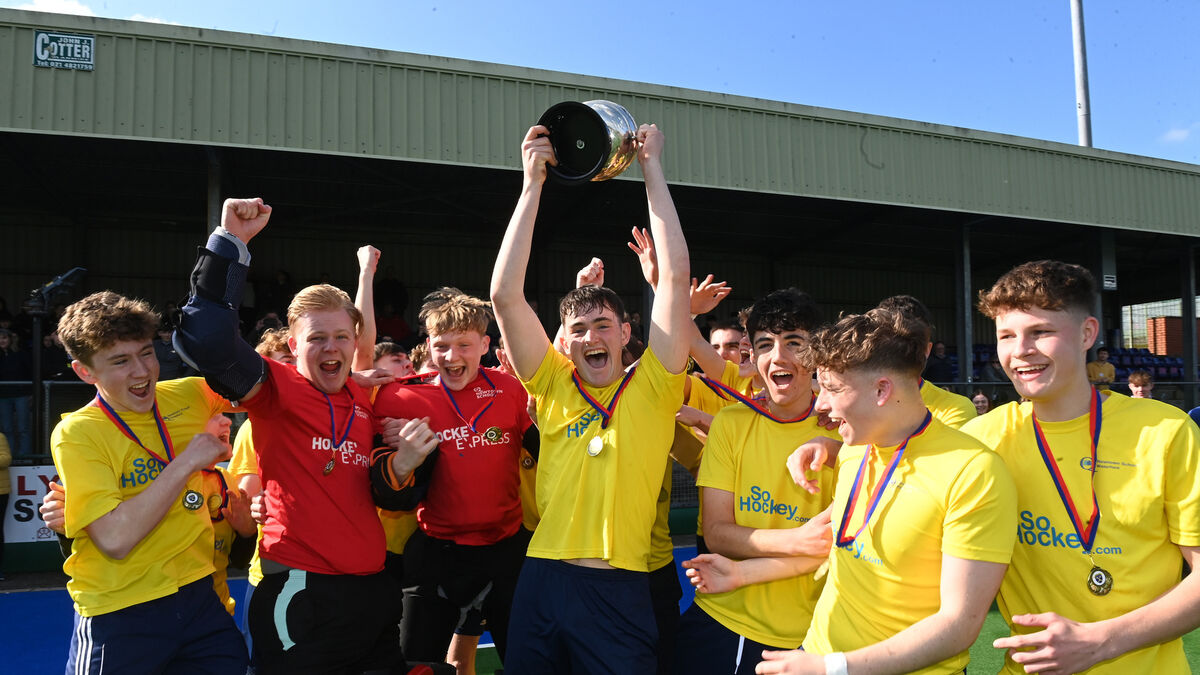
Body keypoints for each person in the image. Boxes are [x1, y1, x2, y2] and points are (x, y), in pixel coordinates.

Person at [698, 306, 1017, 674]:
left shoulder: (973, 473)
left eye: (832, 388)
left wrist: (834, 667)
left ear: (881, 390)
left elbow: (958, 626)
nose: (821, 403)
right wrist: (742, 575)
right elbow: (841, 550)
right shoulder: (854, 450)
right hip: (817, 654)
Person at [175, 197, 414, 674]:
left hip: (372, 591)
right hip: (303, 595)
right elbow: (207, 343)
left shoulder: (360, 395)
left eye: (341, 337)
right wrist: (231, 243)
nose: (331, 348)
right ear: (292, 345)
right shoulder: (277, 389)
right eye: (316, 338)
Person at [490, 122, 691, 673]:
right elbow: (505, 295)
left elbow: (675, 280)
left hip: (619, 587)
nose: (589, 338)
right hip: (541, 577)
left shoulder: (656, 384)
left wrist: (652, 169)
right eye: (577, 330)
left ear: (626, 333)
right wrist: (532, 184)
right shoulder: (552, 381)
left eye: (602, 325)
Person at [963, 260, 1200, 673]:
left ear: (1088, 333)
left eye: (1041, 332)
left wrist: (1101, 642)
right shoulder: (979, 441)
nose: (1020, 350)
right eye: (1006, 336)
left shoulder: (1166, 430)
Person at [47, 291, 248, 674]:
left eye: (146, 353)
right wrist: (187, 461)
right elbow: (115, 539)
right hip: (121, 609)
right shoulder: (78, 433)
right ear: (85, 372)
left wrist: (355, 377)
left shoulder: (190, 393)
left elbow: (268, 388)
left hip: (199, 598)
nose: (141, 372)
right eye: (120, 361)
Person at [674, 288, 839, 675]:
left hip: (814, 632)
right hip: (725, 620)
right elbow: (717, 533)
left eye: (794, 343)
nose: (778, 356)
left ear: (817, 353)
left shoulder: (846, 429)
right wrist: (796, 540)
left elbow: (837, 544)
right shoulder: (730, 423)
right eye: (765, 345)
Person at [372, 287, 536, 668]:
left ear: (484, 345)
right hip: (439, 553)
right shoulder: (399, 398)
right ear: (428, 345)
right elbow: (379, 483)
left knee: (528, 663)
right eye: (442, 346)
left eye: (464, 345)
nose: (451, 356)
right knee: (415, 666)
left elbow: (550, 453)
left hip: (506, 550)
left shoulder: (509, 389)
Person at [877, 295, 976, 428]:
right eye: (889, 339)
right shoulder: (853, 403)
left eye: (911, 342)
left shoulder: (955, 408)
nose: (899, 349)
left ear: (927, 349)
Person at [0, 328, 31, 456]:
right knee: (7, 428)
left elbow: (30, 372)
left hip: (20, 394)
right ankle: (9, 455)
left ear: (10, 339)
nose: (1, 341)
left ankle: (24, 455)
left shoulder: (21, 354)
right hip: (3, 396)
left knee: (23, 428)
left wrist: (30, 393)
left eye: (4, 338)